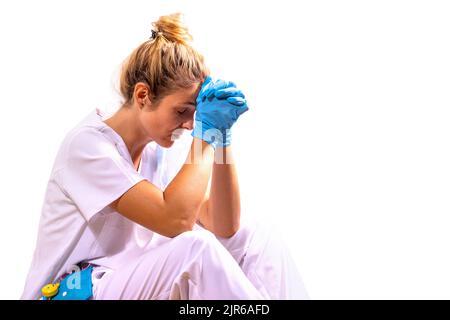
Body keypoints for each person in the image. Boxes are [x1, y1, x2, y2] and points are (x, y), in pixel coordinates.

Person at [21, 13, 308, 300]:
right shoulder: (87, 147)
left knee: (257, 236)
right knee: (195, 250)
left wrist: (220, 136)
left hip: (115, 282)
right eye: (182, 111)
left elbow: (224, 225)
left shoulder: (159, 149)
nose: (188, 124)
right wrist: (205, 136)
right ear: (143, 95)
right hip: (68, 292)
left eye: (195, 115)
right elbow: (176, 220)